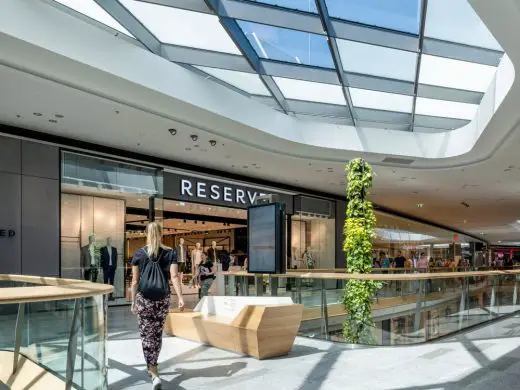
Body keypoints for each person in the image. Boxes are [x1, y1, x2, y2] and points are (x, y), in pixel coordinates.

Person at [130, 222, 184, 389]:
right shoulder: (170, 252)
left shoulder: (139, 253)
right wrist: (180, 297)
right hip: (162, 299)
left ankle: (153, 371)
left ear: (146, 233)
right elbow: (174, 276)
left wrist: (132, 301)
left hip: (144, 299)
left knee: (147, 335)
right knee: (157, 334)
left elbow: (134, 281)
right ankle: (153, 365)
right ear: (161, 233)